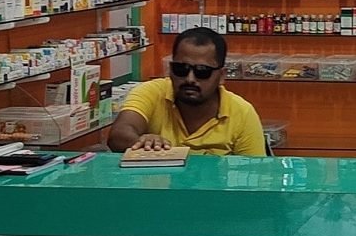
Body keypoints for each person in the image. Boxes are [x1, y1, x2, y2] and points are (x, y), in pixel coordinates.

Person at [108, 26, 267, 156]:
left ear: (221, 76)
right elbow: (119, 134)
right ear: (171, 69)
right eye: (181, 69)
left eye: (202, 71)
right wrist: (143, 142)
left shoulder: (242, 113)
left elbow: (253, 173)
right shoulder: (151, 92)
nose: (190, 79)